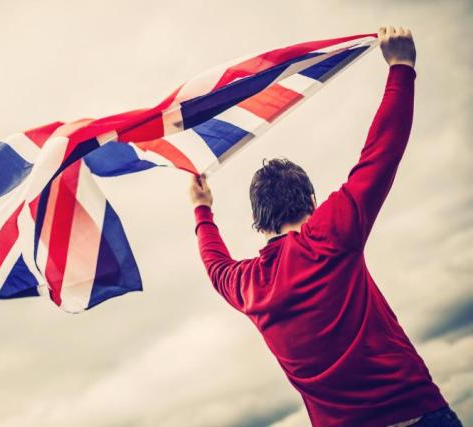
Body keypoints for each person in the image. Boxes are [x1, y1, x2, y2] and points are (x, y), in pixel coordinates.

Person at [189, 27, 462, 427]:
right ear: (312, 203)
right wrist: (401, 67)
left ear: (258, 219)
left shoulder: (248, 286)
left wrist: (202, 210)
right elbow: (379, 155)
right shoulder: (329, 234)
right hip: (416, 413)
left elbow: (214, 265)